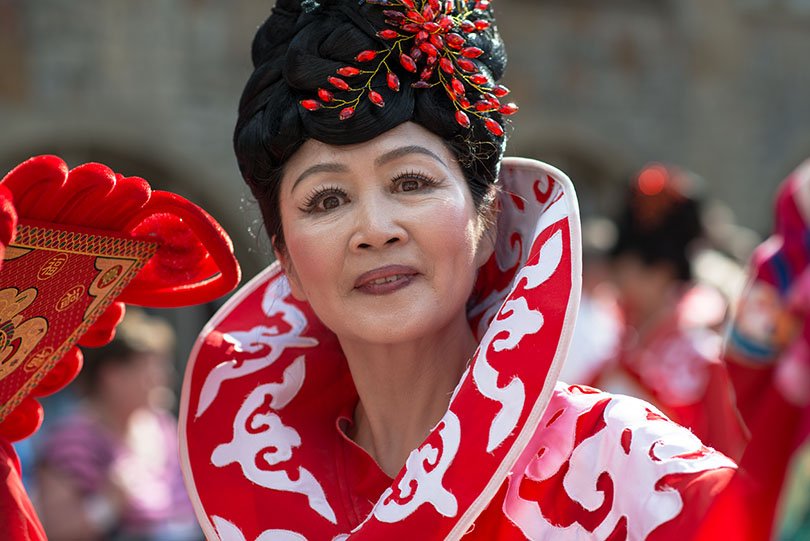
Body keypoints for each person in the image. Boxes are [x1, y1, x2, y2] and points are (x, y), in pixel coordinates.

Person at [178, 1, 740, 539]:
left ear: (489, 219)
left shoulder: (627, 468)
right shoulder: (254, 498)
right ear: (286, 261)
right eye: (326, 200)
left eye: (412, 183)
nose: (375, 229)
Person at [590, 163, 748, 460]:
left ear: (661, 273)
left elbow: (723, 449)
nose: (620, 283)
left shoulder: (702, 352)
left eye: (630, 272)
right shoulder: (619, 335)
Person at [35, 309, 203, 541]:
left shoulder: (163, 427)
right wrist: (108, 501)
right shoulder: (72, 441)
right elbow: (58, 531)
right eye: (151, 367)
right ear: (112, 376)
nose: (164, 377)